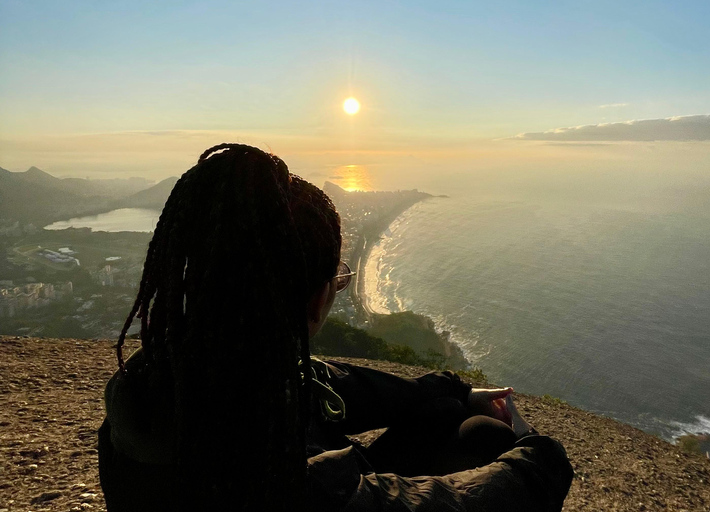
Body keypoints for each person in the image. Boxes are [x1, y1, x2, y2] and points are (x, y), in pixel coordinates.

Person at [97, 144, 573, 511]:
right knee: (489, 441)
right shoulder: (285, 479)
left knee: (448, 413)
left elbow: (328, 384)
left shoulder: (173, 378)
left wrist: (454, 389)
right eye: (339, 280)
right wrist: (540, 459)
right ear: (317, 296)